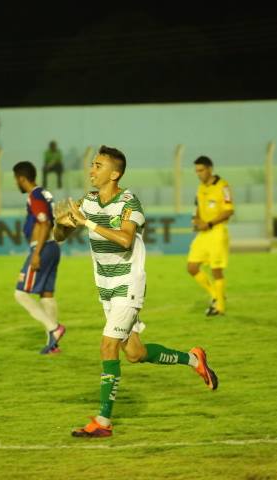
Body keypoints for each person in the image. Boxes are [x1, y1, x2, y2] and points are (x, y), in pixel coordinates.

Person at [53, 145, 218, 438]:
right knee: (135, 353)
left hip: (129, 283)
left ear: (115, 173)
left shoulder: (129, 202)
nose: (92, 170)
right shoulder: (89, 201)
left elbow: (126, 240)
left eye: (98, 165)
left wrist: (87, 222)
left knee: (107, 345)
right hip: (105, 286)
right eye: (92, 164)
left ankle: (103, 423)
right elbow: (61, 236)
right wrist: (62, 223)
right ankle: (194, 359)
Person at [12, 161, 66, 354]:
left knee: (20, 293)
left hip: (42, 249)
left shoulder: (34, 196)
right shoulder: (44, 193)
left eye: (15, 180)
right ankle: (53, 345)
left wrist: (36, 253)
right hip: (52, 248)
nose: (15, 183)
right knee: (46, 294)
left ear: (21, 178)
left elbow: (43, 224)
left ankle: (54, 329)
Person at [186, 156, 234, 317]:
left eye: (201, 170)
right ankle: (216, 294)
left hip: (217, 231)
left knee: (216, 270)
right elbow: (197, 208)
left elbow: (229, 211)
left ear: (210, 169)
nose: (198, 174)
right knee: (192, 267)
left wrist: (210, 223)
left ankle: (220, 307)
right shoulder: (201, 188)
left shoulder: (223, 186)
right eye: (196, 171)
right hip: (204, 233)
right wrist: (197, 220)